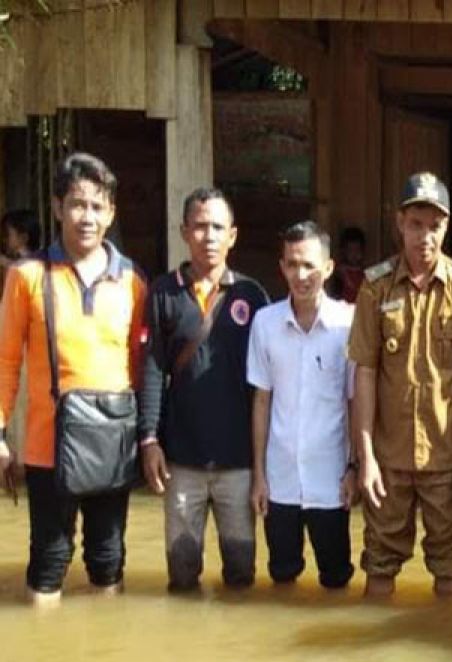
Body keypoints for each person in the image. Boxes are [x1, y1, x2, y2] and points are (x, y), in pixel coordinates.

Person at [0, 152, 147, 606]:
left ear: (111, 214)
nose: (88, 217)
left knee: (108, 558)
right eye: (78, 204)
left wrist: (149, 439)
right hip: (48, 446)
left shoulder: (133, 281)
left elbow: (142, 367)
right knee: (49, 559)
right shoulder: (27, 276)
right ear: (58, 207)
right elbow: (6, 361)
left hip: (113, 439)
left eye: (98, 206)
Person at [349, 172, 452, 598]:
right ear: (399, 223)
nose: (424, 236)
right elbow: (366, 372)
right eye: (416, 224)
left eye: (434, 226)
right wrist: (366, 456)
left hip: (446, 459)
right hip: (388, 461)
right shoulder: (374, 288)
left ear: (446, 228)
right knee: (379, 562)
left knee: (448, 565)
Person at [137, 187, 270, 591]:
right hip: (182, 461)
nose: (208, 236)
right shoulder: (164, 292)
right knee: (181, 575)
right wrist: (149, 440)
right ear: (184, 231)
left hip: (238, 463)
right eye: (199, 226)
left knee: (242, 574)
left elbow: (264, 386)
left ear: (233, 235)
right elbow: (153, 369)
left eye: (217, 227)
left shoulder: (252, 295)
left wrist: (264, 463)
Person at [248, 221, 357, 589]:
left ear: (328, 268)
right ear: (281, 267)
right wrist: (259, 476)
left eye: (310, 265)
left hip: (331, 479)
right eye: (293, 265)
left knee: (336, 578)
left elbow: (356, 403)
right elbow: (262, 401)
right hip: (280, 480)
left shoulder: (349, 323)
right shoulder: (265, 323)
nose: (301, 274)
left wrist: (354, 467)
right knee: (281, 575)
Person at [328, 226, 367, 303]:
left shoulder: (365, 272)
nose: (354, 254)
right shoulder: (340, 273)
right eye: (350, 251)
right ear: (344, 251)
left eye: (357, 250)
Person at [1, 208, 41, 277]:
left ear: (23, 238)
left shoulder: (36, 261)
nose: (4, 239)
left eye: (7, 234)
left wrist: (6, 263)